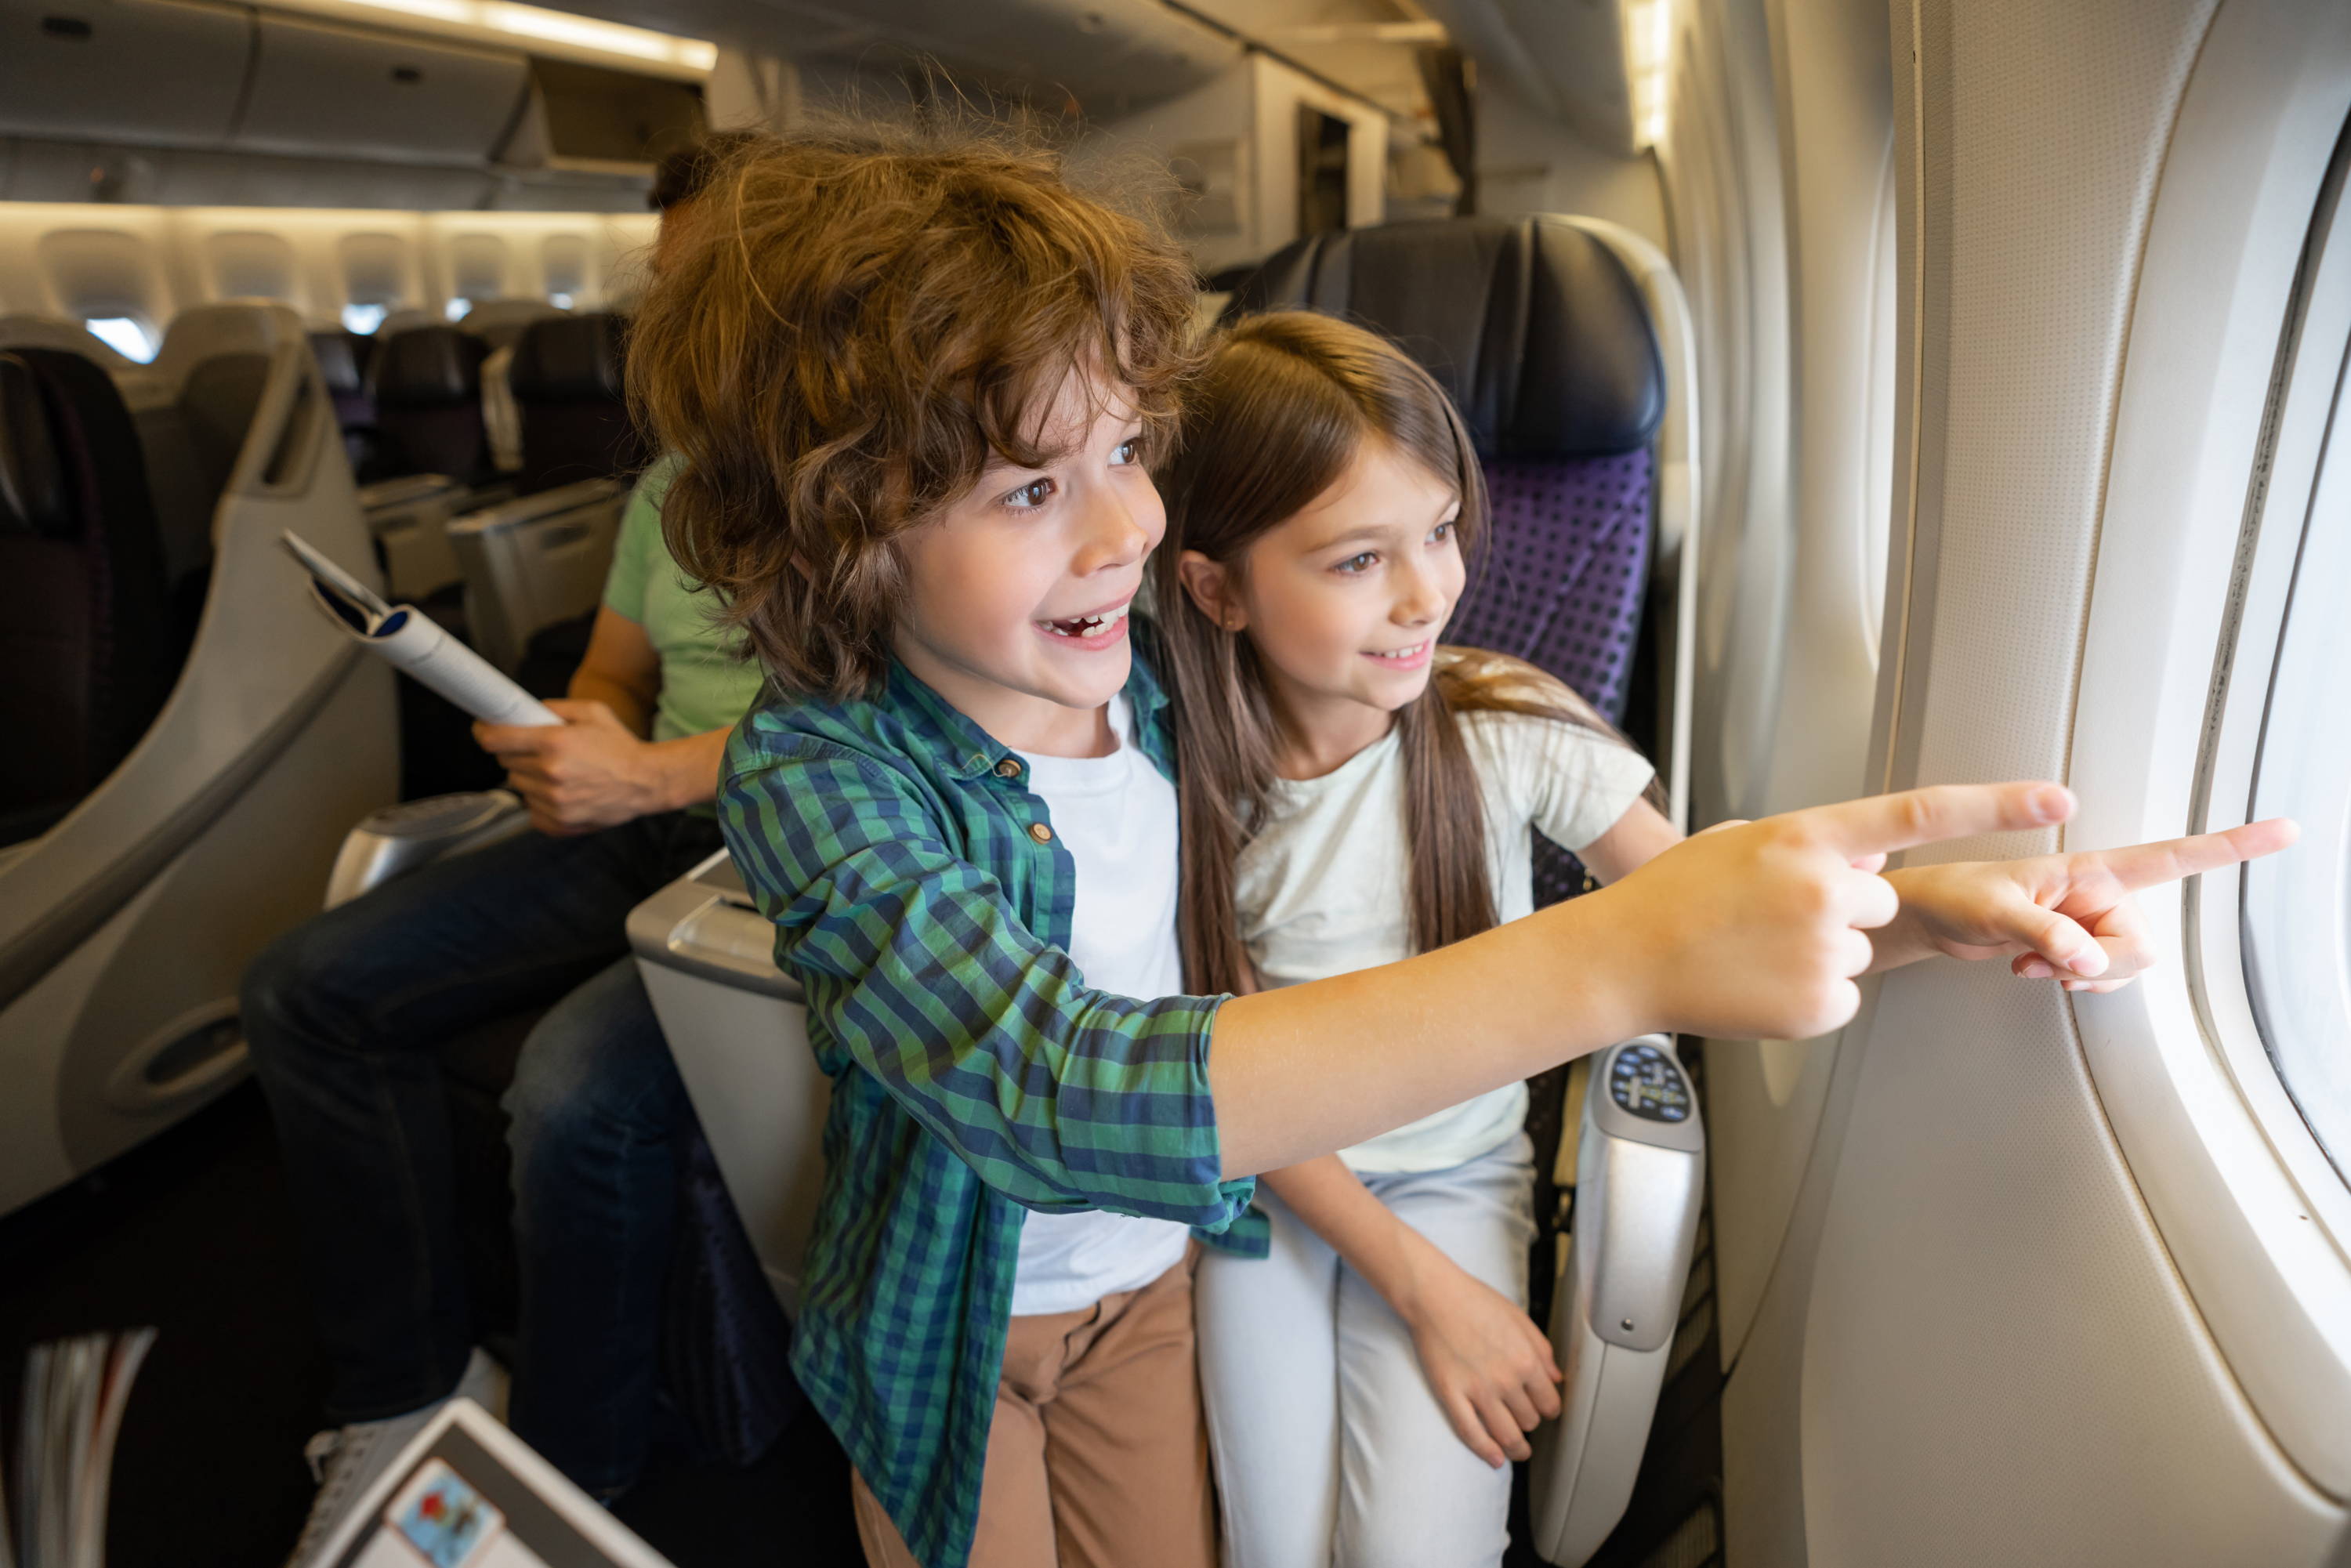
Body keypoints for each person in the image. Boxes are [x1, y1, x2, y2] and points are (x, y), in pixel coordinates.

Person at [625, 123, 2294, 1568]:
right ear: (837, 535)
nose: (1128, 523)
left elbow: (1619, 842)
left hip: (1162, 1280)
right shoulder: (814, 771)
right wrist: (1619, 956)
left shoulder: (1157, 678)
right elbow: (1053, 1088)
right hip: (947, 1314)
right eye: (1027, 489)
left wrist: (1944, 913)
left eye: (1128, 449)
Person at [239, 136, 767, 1563]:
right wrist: (560, 734)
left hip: (769, 867)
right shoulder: (673, 488)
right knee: (305, 988)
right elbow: (612, 673)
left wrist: (644, 771)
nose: (668, 318)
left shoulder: (871, 475)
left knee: (572, 1091)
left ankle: (562, 1487)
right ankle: (408, 1399)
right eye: (664, 287)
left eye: (701, 279)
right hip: (633, 823)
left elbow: (888, 732)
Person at [1151, 311, 1668, 1566]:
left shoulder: (1505, 724)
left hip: (1455, 1176)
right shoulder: (1182, 785)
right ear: (1216, 587)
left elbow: (1702, 902)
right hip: (1272, 1184)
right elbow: (1229, 1088)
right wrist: (1423, 1289)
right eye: (1356, 560)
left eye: (1438, 531)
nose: (1429, 589)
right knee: (1274, 1548)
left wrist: (1928, 911)